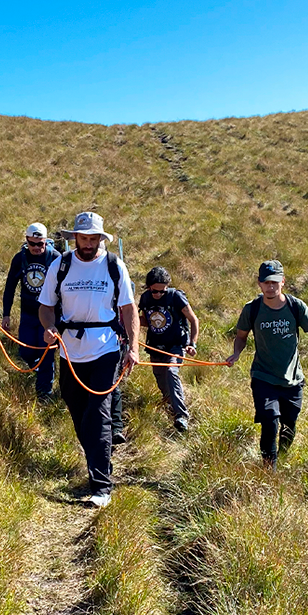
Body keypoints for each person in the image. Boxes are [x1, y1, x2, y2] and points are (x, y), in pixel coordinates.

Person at [39, 212, 139, 508]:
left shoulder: (114, 266)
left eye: (93, 238)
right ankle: (100, 460)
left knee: (98, 413)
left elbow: (129, 309)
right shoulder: (61, 265)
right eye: (83, 238)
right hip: (69, 350)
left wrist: (133, 348)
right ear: (75, 238)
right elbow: (46, 306)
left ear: (100, 239)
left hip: (106, 348)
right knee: (78, 412)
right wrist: (49, 327)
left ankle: (101, 486)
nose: (88, 243)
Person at [226, 259, 308, 470]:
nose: (270, 287)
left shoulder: (296, 307)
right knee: (270, 422)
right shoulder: (252, 309)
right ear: (259, 283)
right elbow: (241, 336)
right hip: (263, 377)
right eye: (266, 282)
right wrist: (236, 353)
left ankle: (282, 455)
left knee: (289, 425)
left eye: (274, 282)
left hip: (293, 379)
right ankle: (269, 470)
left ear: (283, 281)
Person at [1, 223, 61, 399]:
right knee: (25, 352)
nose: (36, 247)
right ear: (26, 240)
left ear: (45, 241)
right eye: (32, 243)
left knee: (46, 354)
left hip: (49, 315)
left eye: (40, 244)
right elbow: (10, 287)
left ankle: (44, 394)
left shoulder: (56, 258)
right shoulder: (20, 259)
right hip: (27, 314)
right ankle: (37, 368)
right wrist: (6, 314)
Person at [138, 266, 200, 432]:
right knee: (162, 381)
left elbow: (194, 320)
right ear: (148, 287)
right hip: (155, 347)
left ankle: (182, 416)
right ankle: (171, 408)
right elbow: (146, 321)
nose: (158, 294)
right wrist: (128, 319)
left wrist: (192, 343)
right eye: (154, 291)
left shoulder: (176, 297)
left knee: (171, 372)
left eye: (162, 291)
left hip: (175, 345)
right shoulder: (145, 298)